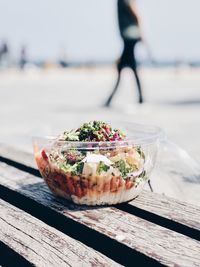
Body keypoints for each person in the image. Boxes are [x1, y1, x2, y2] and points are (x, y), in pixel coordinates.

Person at [104, 0, 143, 106]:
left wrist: (141, 32)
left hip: (130, 34)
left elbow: (135, 13)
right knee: (128, 67)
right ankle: (140, 98)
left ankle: (110, 99)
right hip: (129, 35)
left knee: (124, 66)